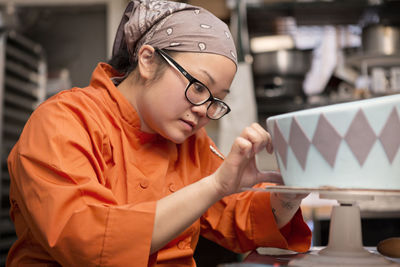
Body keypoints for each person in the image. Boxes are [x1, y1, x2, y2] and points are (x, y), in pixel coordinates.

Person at [6, 1, 311, 266]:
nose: (205, 109)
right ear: (148, 60)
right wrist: (215, 185)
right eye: (199, 87)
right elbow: (86, 243)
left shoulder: (191, 144)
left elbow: (242, 220)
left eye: (217, 99)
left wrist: (290, 190)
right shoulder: (63, 122)